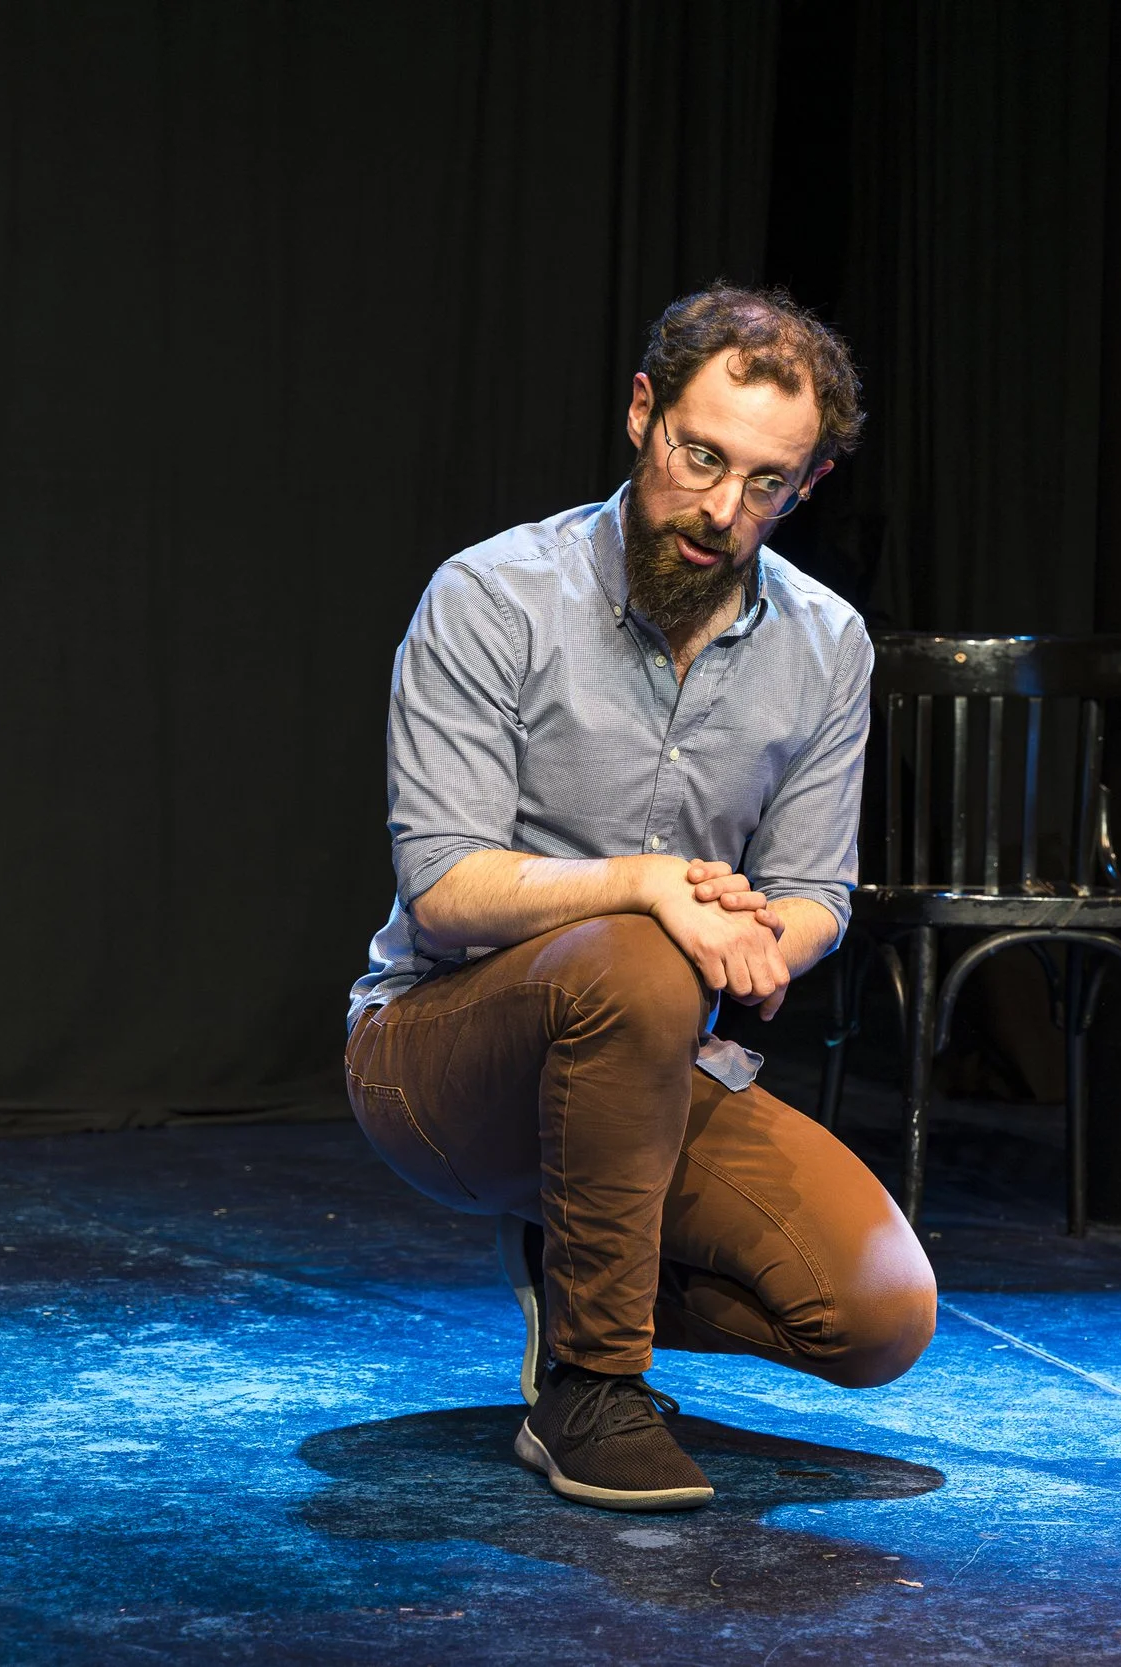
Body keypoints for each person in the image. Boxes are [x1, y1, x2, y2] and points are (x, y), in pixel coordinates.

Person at [344, 285, 936, 1513]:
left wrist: (765, 938)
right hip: (439, 1052)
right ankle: (592, 1385)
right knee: (635, 952)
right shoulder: (494, 594)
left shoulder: (827, 641)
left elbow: (814, 889)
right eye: (699, 456)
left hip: (655, 1057)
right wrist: (652, 889)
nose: (721, 509)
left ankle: (570, 1260)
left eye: (767, 483)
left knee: (877, 1314)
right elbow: (444, 888)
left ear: (810, 483)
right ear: (641, 413)